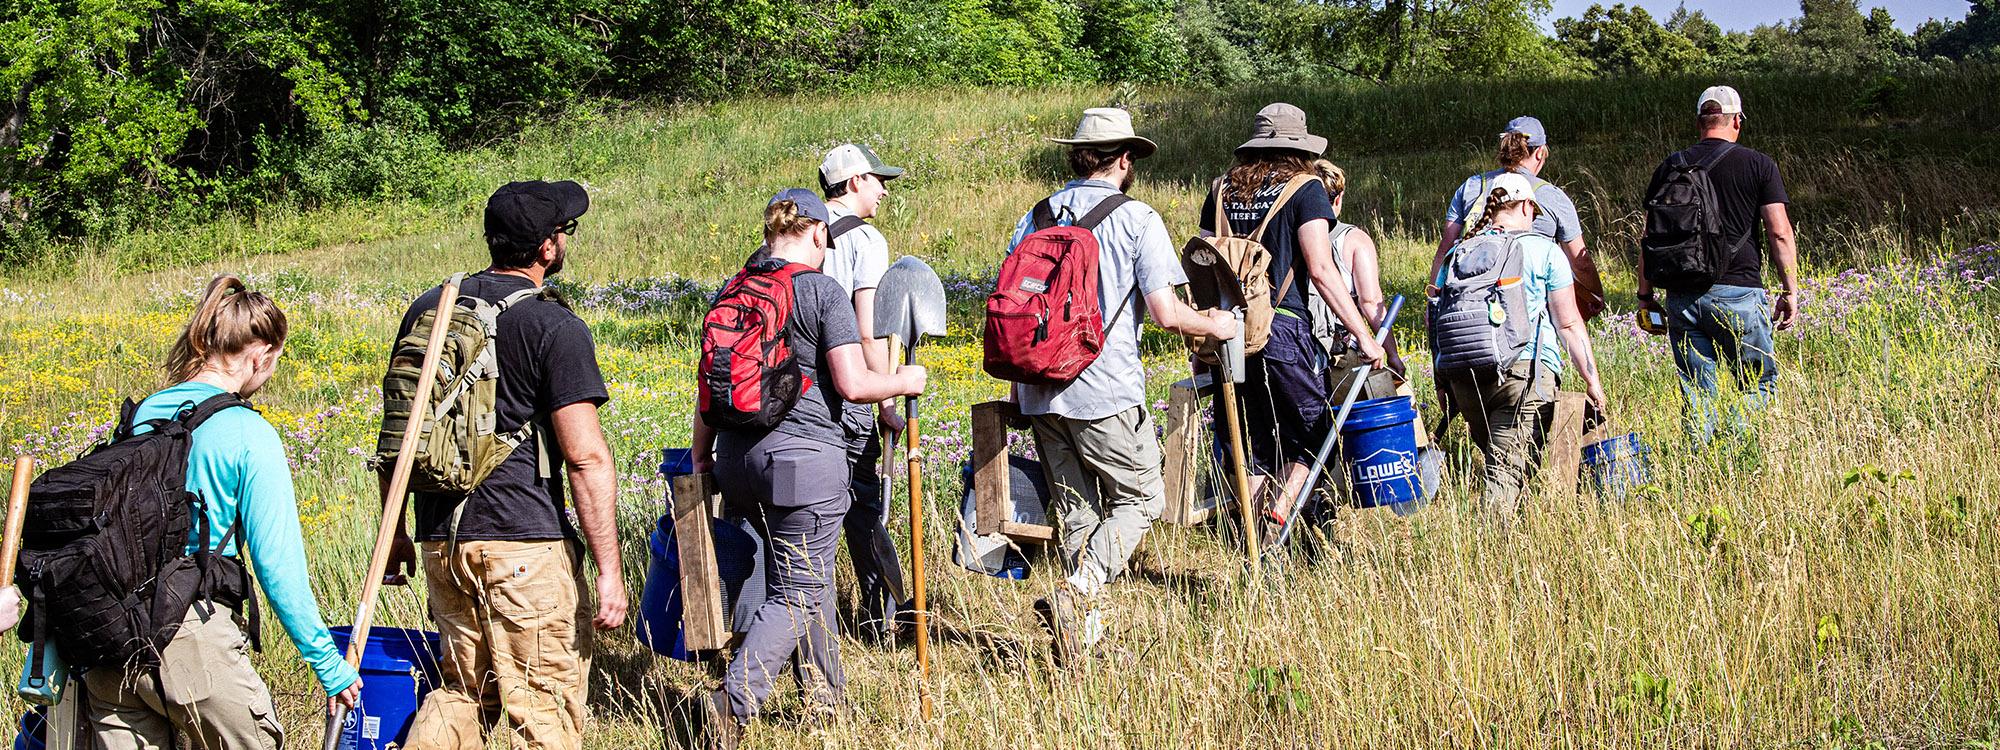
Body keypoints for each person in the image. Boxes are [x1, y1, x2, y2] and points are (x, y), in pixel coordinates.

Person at [389, 181, 627, 750]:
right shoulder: (554, 327)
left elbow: (400, 427)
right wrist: (609, 569)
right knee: (542, 707)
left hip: (443, 539)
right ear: (547, 247)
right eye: (564, 232)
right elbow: (586, 457)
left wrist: (396, 530)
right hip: (525, 545)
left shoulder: (432, 308)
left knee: (460, 695)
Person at [690, 189, 927, 746]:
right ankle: (732, 701)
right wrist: (903, 383)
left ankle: (826, 699)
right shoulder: (821, 290)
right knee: (798, 589)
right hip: (802, 465)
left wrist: (702, 458)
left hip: (735, 460)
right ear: (818, 234)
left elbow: (707, 387)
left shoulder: (733, 289)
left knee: (805, 577)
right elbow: (852, 383)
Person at [83, 275, 360, 750]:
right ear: (260, 355)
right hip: (189, 640)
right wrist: (329, 666)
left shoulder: (144, 414)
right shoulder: (248, 433)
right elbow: (278, 566)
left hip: (107, 643)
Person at [1006, 107, 1238, 664]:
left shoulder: (1034, 217)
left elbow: (1013, 305)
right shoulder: (1137, 219)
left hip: (1040, 391)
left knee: (1078, 510)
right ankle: (1077, 591)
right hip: (1104, 388)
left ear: (1078, 155)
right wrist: (1216, 323)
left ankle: (1080, 645)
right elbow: (1165, 312)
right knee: (1143, 496)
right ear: (1125, 159)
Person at [1197, 103, 1383, 533]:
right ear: (1299, 146)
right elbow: (1320, 269)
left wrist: (1201, 336)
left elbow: (1204, 264)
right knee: (1320, 432)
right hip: (1282, 328)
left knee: (1255, 444)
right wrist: (1364, 335)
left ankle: (1258, 543)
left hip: (1228, 333)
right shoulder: (1306, 188)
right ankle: (1280, 513)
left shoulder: (1221, 189)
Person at [1432, 174, 1608, 523]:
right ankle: (1487, 555)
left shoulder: (1459, 252)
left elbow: (1434, 316)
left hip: (1463, 375)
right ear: (1527, 206)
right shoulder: (1544, 251)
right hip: (1524, 373)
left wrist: (1442, 380)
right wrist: (1592, 380)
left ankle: (1519, 538)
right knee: (1506, 472)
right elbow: (1569, 324)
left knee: (1503, 462)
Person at [1637, 85, 1799, 449]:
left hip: (1681, 295)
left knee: (1697, 391)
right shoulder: (1758, 164)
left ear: (1699, 122)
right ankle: (1737, 456)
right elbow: (1779, 232)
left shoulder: (1671, 166)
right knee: (1756, 382)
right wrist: (1789, 290)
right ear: (1737, 120)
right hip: (1739, 291)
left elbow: (1648, 237)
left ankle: (1699, 467)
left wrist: (1645, 296)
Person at [817, 143, 912, 644]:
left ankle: (812, 622)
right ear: (854, 182)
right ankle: (881, 619)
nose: (882, 191)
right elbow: (867, 329)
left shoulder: (798, 233)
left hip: (798, 401)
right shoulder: (866, 240)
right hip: (846, 396)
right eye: (878, 180)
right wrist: (888, 400)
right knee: (863, 507)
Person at [1429, 116, 1605, 321]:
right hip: (1528, 310)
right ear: (1540, 153)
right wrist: (1595, 295)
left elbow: (1445, 249)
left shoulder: (1471, 186)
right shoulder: (1553, 196)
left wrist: (1433, 304)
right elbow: (1580, 263)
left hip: (1469, 309)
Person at [1308, 159, 1402, 399]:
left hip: (1298, 354)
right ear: (1338, 199)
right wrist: (1392, 355)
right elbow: (1371, 303)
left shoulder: (1290, 235)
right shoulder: (1354, 240)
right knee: (1385, 418)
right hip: (1341, 356)